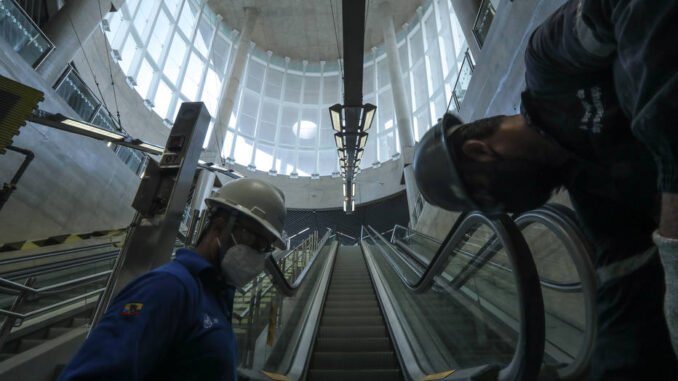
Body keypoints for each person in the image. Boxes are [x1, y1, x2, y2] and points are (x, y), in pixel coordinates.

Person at [413, 0, 678, 380]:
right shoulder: (594, 196)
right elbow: (624, 287)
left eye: (488, 199)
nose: (506, 209)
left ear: (479, 150)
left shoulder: (551, 66)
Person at [58, 178, 287, 381]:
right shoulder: (168, 287)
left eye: (265, 248)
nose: (258, 255)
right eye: (256, 241)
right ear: (221, 226)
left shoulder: (215, 297)